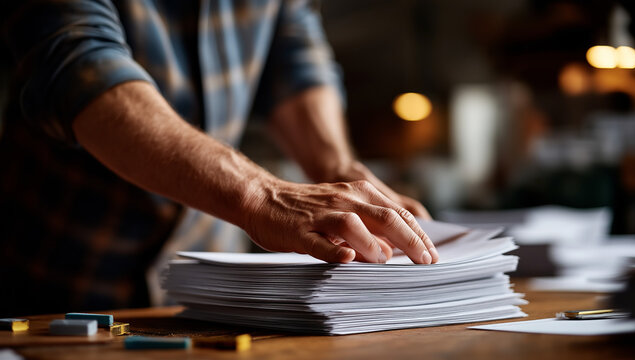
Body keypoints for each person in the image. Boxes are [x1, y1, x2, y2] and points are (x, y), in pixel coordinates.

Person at [0, 0, 438, 316]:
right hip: (53, 287)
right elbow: (78, 67)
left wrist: (340, 171)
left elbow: (296, 58)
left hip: (206, 300)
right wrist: (260, 195)